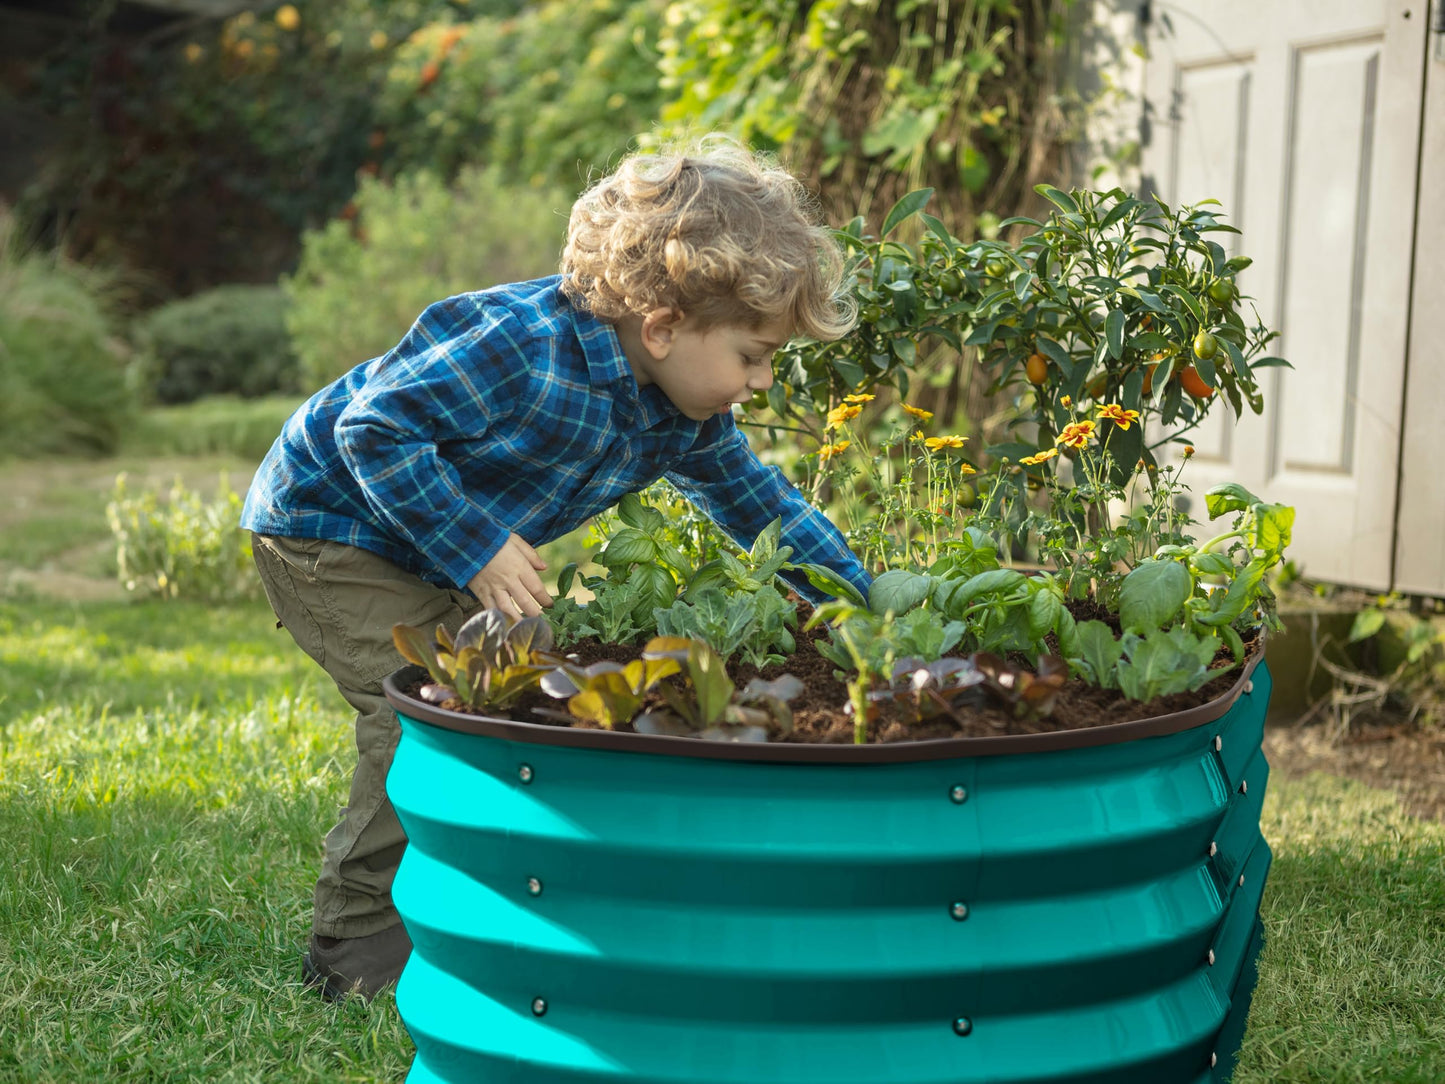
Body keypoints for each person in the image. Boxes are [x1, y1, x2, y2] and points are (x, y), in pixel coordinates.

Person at [240, 136, 871, 1001]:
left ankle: (487, 899)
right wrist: (475, 545)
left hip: (427, 532)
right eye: (752, 356)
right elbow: (373, 432)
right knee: (429, 710)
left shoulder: (681, 413)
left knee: (522, 679)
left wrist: (861, 602)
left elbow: (761, 508)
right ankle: (352, 955)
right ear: (662, 327)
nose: (759, 383)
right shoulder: (518, 343)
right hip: (328, 525)